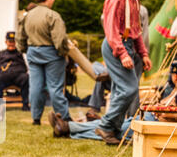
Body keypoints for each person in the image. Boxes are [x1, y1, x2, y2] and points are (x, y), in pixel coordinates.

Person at [48, 60, 177, 143]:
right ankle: (67, 128)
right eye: (174, 74)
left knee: (116, 131)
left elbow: (172, 114)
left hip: (156, 124)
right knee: (111, 124)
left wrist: (164, 112)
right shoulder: (173, 89)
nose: (175, 77)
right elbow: (165, 103)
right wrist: (159, 106)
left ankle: (67, 129)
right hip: (147, 117)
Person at [95, 0, 154, 145]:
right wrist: (122, 54)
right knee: (129, 89)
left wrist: (143, 54)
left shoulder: (135, 0)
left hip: (127, 44)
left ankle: (114, 129)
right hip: (115, 44)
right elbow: (111, 28)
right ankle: (105, 125)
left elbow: (136, 31)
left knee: (123, 90)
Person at [17, 0, 71, 125]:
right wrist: (63, 53)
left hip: (33, 52)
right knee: (55, 87)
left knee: (35, 86)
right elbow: (59, 39)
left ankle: (36, 118)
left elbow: (20, 37)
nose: (53, 0)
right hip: (52, 54)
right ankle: (64, 117)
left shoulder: (28, 15)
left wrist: (24, 49)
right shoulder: (52, 15)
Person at [0, 31, 29, 119]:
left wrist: (27, 73)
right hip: (4, 77)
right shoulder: (0, 54)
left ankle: (26, 104)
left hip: (19, 76)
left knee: (27, 78)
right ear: (6, 42)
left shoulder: (22, 53)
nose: (11, 43)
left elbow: (29, 66)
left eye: (13, 41)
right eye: (10, 41)